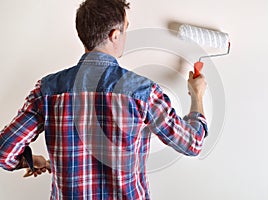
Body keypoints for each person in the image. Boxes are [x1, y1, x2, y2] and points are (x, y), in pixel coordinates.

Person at [0, 0, 208, 199]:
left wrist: (28, 160)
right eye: (126, 28)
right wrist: (197, 96)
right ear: (114, 35)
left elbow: (4, 151)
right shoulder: (143, 92)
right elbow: (192, 143)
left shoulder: (47, 91)